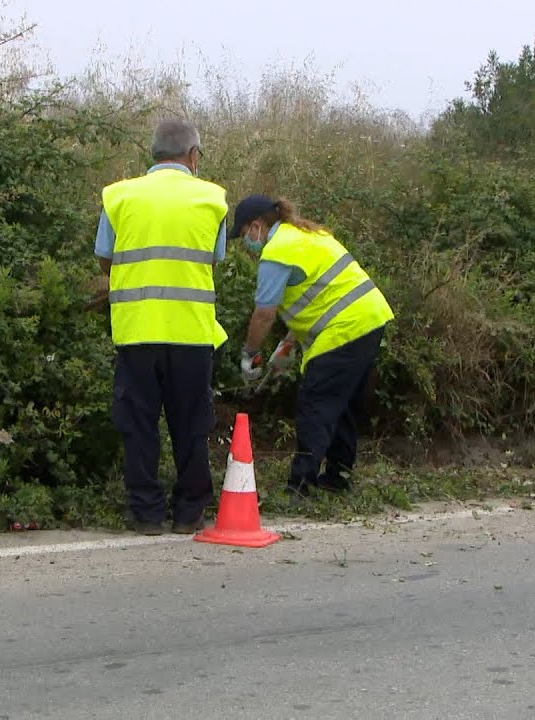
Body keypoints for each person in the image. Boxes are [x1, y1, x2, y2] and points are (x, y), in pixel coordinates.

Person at [94, 118, 230, 535]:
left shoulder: (118, 196)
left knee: (138, 425)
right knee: (191, 425)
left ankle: (146, 513)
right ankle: (189, 512)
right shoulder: (213, 199)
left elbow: (105, 258)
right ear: (193, 156)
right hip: (191, 333)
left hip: (136, 332)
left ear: (152, 155)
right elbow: (214, 258)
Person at [229, 194, 395, 497]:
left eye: (243, 235)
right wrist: (288, 344)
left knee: (315, 405)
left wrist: (249, 354)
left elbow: (264, 314)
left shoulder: (276, 252)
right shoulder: (306, 234)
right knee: (342, 404)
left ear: (256, 226)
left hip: (345, 328)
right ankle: (337, 479)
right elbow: (318, 294)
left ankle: (300, 486)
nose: (246, 245)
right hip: (370, 319)